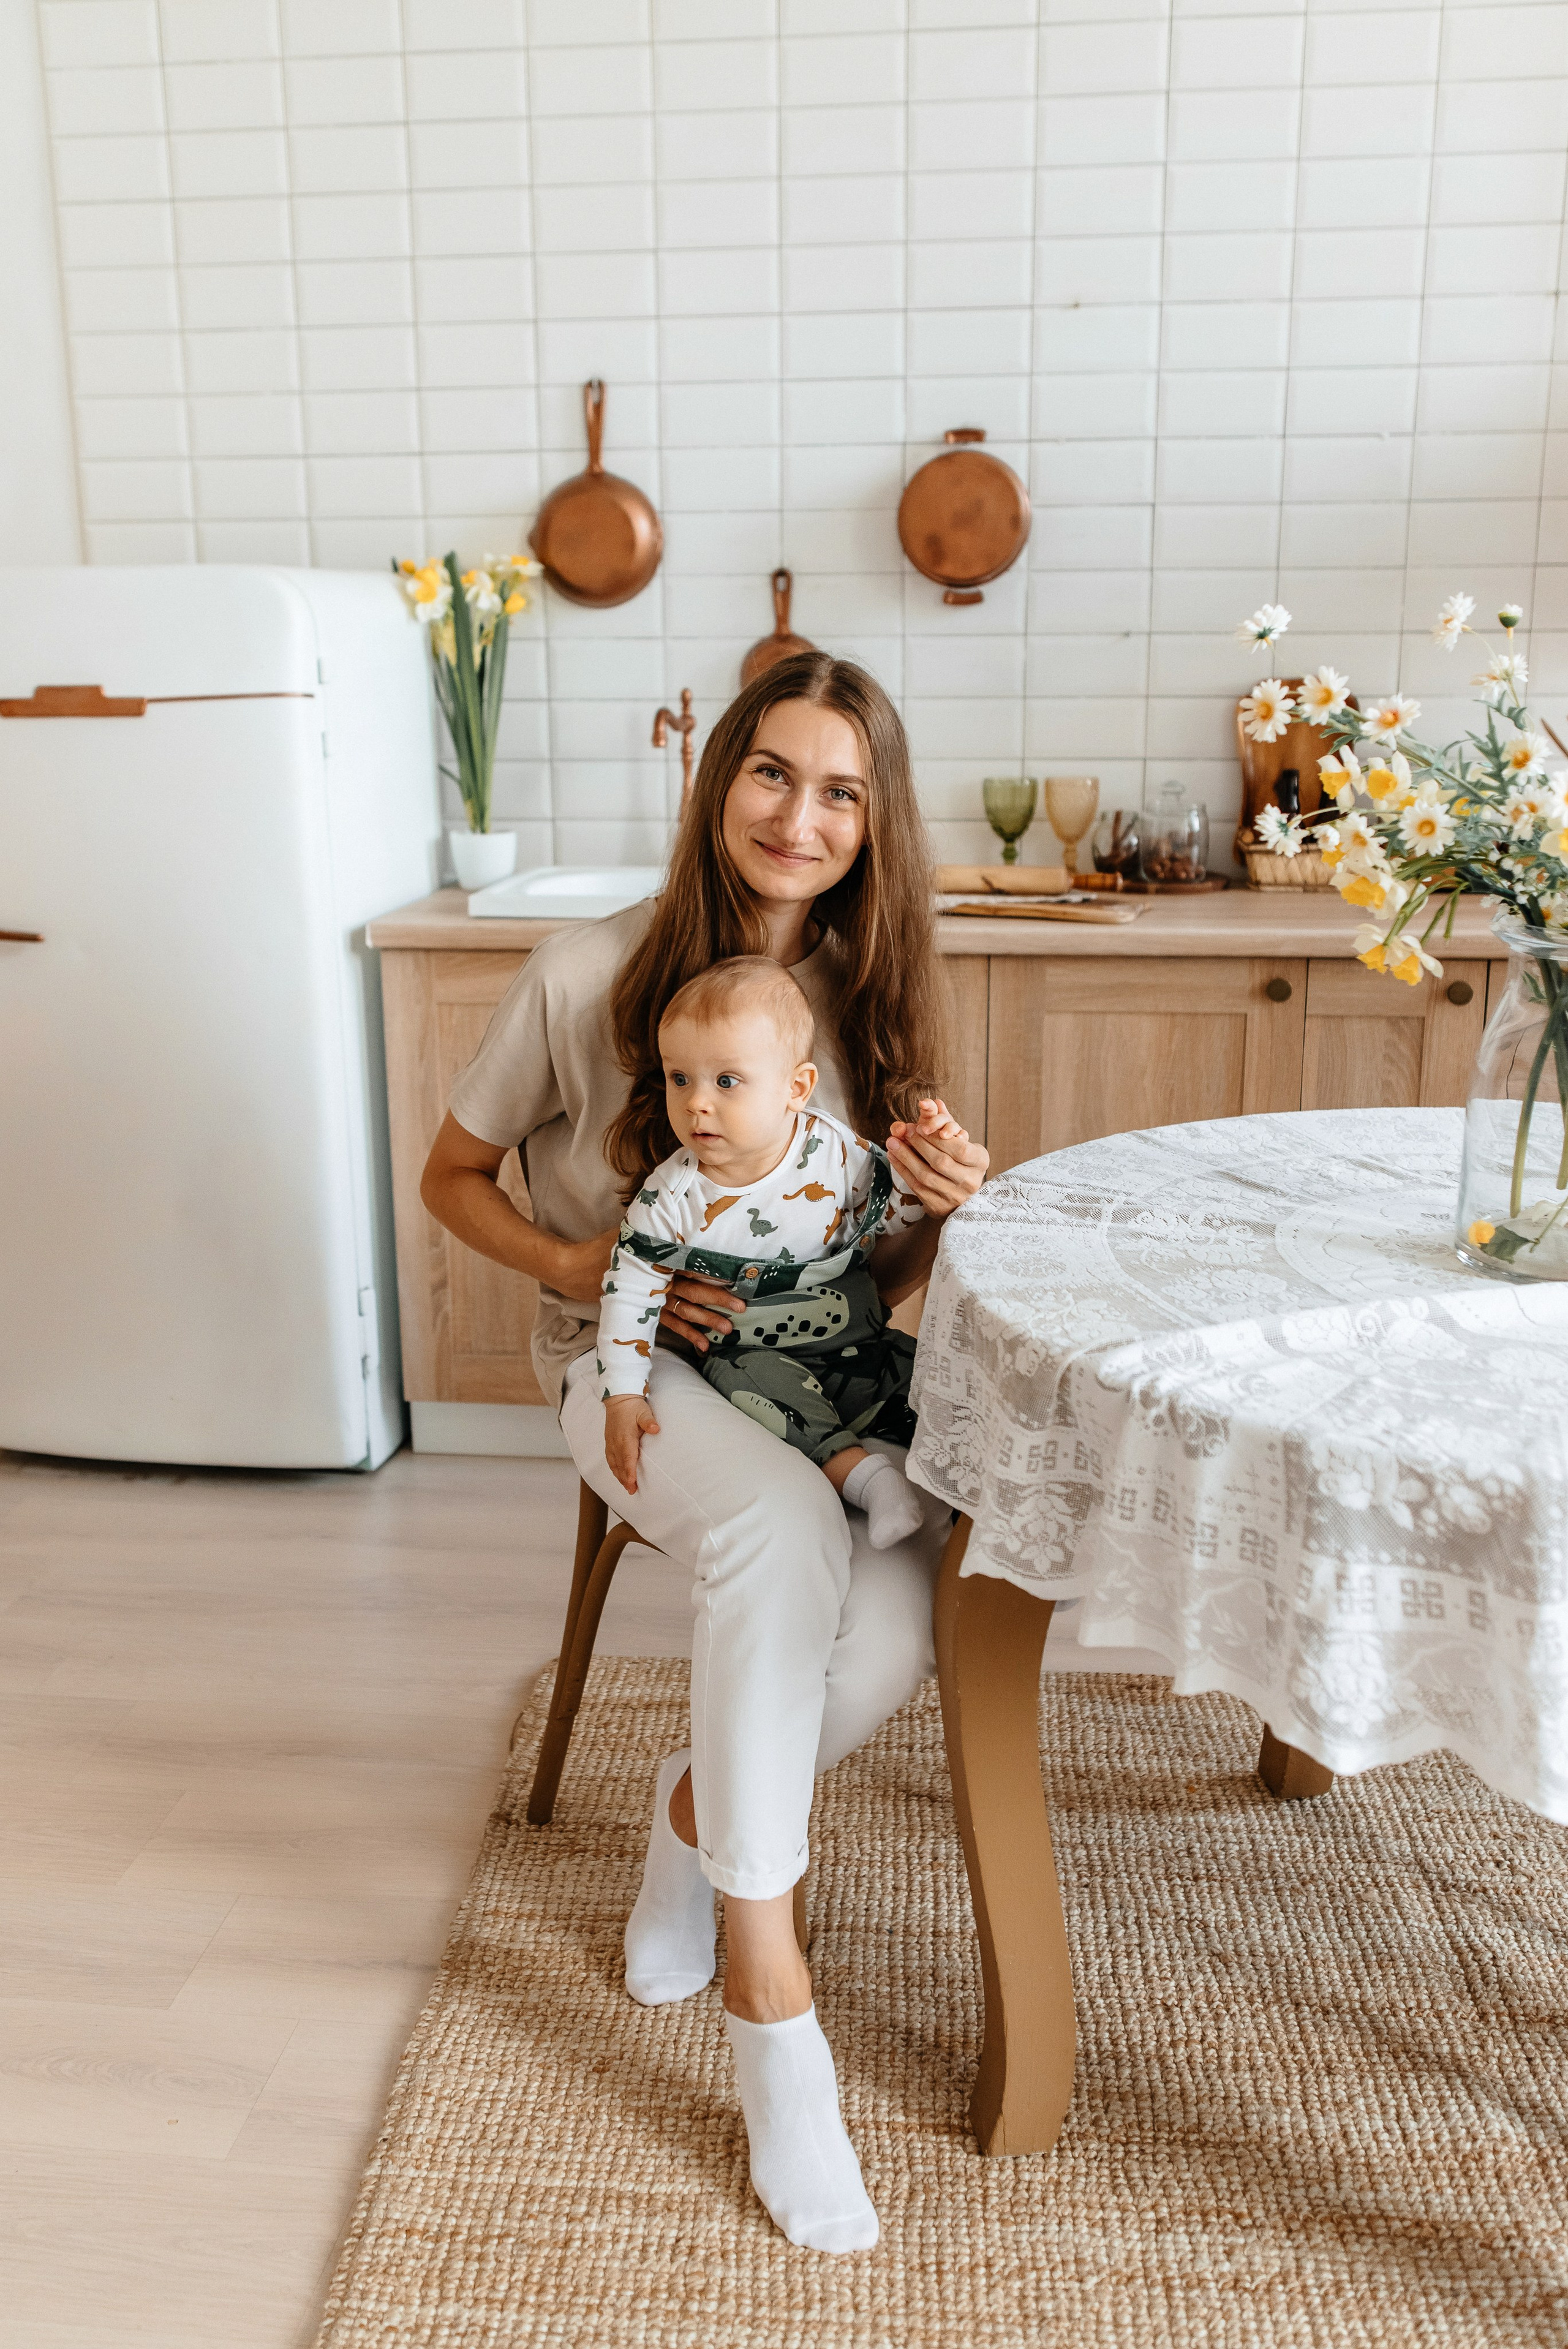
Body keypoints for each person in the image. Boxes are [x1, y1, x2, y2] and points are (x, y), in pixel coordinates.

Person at [420, 652, 989, 2253]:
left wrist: (939, 1215)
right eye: (770, 772)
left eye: (841, 792)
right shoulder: (584, 969)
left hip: (801, 1371)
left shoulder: (869, 1003)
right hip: (622, 1365)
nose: (799, 817)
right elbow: (451, 1174)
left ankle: (693, 1814)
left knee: (907, 1601)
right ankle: (769, 1994)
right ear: (718, 775)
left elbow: (862, 1286)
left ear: (874, 823)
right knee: (779, 1541)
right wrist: (580, 1267)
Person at [598, 953, 962, 1552]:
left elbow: (891, 1215)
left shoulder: (833, 1149)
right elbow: (628, 1298)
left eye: (726, 1081)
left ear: (796, 1089)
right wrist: (623, 1395)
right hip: (753, 1355)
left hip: (860, 1344)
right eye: (679, 1078)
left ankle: (990, 1519)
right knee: (760, 1390)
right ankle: (868, 1481)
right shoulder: (669, 1199)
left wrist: (922, 1168)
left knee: (940, 1382)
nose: (695, 1102)